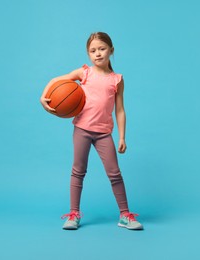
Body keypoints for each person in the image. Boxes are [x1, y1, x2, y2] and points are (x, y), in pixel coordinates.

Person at [40, 32, 143, 230]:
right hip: (82, 130)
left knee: (115, 174)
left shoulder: (117, 80)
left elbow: (120, 110)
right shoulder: (84, 73)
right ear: (88, 54)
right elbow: (55, 79)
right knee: (78, 172)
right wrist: (43, 97)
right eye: (92, 50)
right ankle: (74, 214)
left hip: (104, 133)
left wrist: (122, 136)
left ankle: (124, 215)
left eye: (102, 49)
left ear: (111, 51)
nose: (97, 54)